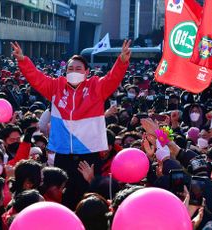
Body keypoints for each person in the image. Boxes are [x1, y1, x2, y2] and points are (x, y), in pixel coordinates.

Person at [11, 40, 131, 209]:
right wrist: (23, 60)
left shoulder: (96, 87)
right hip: (63, 152)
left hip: (89, 153)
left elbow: (113, 78)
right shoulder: (55, 87)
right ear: (65, 71)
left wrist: (122, 61)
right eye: (70, 68)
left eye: (78, 68)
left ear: (87, 72)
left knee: (90, 197)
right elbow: (36, 78)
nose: (74, 71)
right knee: (64, 197)